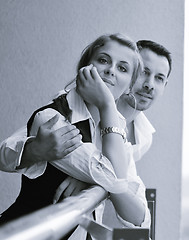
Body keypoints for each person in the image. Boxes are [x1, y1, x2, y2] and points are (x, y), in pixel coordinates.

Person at [0, 33, 153, 238]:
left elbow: (140, 218)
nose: (110, 70)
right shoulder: (51, 117)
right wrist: (107, 104)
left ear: (129, 87)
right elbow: (115, 180)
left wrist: (95, 183)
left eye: (122, 68)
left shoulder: (118, 135)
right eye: (103, 60)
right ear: (85, 67)